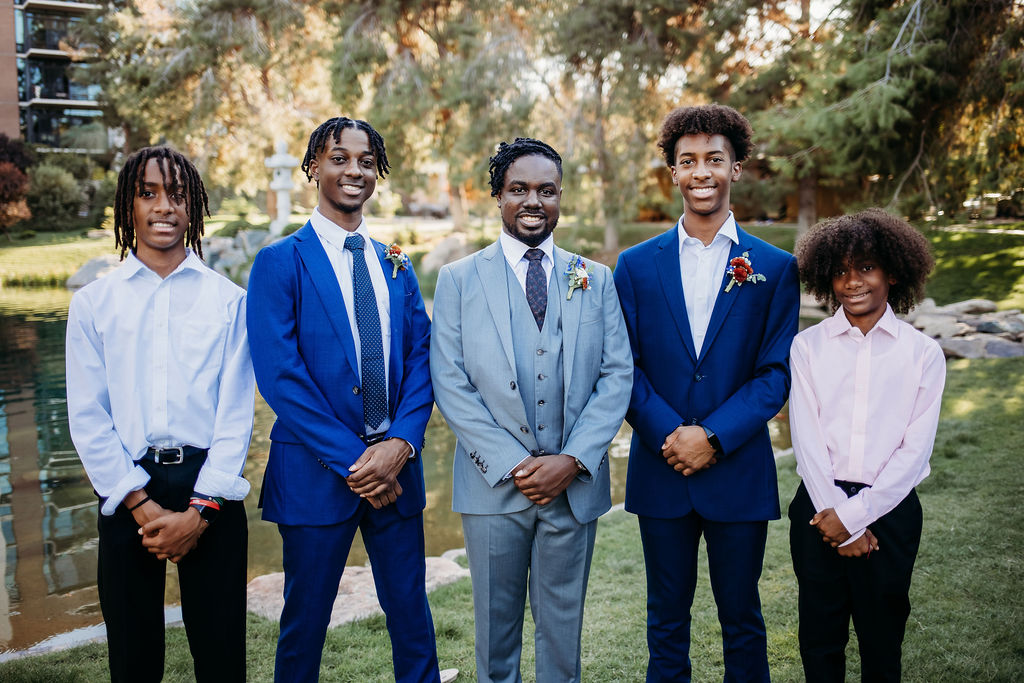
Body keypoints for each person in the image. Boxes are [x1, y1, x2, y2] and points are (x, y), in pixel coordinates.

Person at [430, 137, 632, 683]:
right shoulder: (459, 280)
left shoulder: (596, 278)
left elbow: (617, 376)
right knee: (495, 635)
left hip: (574, 486)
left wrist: (573, 459)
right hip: (493, 487)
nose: (533, 201)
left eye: (547, 190)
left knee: (563, 631)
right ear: (497, 196)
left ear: (561, 197)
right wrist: (514, 463)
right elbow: (449, 380)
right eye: (518, 189)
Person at [246, 117, 440, 682]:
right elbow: (280, 376)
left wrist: (401, 443)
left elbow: (422, 360)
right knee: (305, 623)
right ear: (313, 167)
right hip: (315, 474)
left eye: (364, 160)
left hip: (397, 472)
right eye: (339, 157)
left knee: (412, 616)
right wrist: (361, 461)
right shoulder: (280, 261)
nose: (353, 169)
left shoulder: (395, 262)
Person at [614, 104, 800, 682]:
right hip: (660, 470)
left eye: (714, 160)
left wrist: (713, 438)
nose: (701, 172)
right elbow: (622, 368)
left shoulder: (774, 266)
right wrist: (673, 435)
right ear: (672, 171)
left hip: (737, 472)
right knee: (665, 618)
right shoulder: (635, 266)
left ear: (735, 167)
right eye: (688, 160)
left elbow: (775, 374)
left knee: (742, 617)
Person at [66, 146, 254, 682]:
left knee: (221, 658)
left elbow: (235, 414)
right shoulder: (94, 303)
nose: (163, 206)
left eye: (177, 194)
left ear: (194, 206)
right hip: (126, 488)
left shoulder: (229, 301)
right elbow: (87, 414)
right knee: (132, 657)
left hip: (208, 489)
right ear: (129, 206)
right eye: (148, 193)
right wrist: (139, 503)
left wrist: (200, 511)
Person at [788, 208, 944, 682]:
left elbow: (913, 453)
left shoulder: (922, 354)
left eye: (867, 268)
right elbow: (808, 442)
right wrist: (838, 517)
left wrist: (854, 521)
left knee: (882, 643)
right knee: (820, 641)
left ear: (893, 272)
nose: (852, 281)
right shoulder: (807, 347)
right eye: (840, 271)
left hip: (891, 513)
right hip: (817, 507)